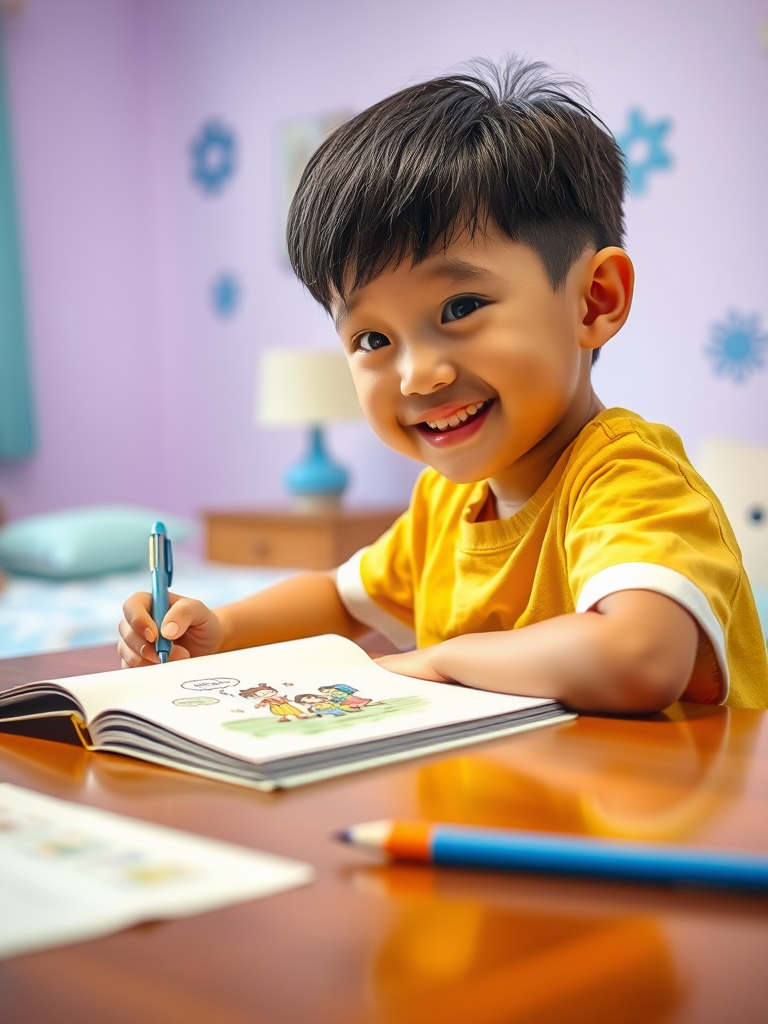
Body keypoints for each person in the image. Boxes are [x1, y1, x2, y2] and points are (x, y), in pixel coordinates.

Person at [118, 57, 768, 712]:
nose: (418, 373)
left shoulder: (628, 477)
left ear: (594, 301)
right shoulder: (444, 505)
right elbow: (339, 599)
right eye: (373, 340)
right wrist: (222, 629)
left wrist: (438, 661)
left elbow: (639, 655)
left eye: (460, 309)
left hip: (664, 805)